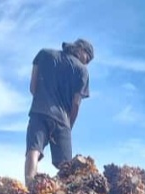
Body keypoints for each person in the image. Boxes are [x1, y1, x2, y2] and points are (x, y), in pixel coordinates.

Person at [25, 38, 94, 186]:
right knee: (65, 166)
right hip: (62, 119)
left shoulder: (44, 54)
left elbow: (32, 87)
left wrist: (44, 100)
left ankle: (30, 186)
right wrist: (69, 125)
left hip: (39, 111)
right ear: (80, 49)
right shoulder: (82, 70)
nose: (86, 63)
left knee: (34, 150)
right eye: (87, 59)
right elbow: (76, 103)